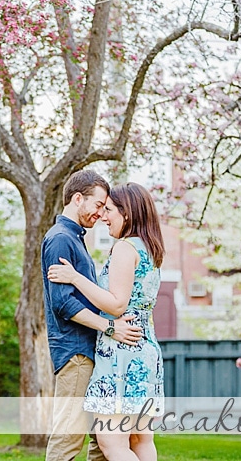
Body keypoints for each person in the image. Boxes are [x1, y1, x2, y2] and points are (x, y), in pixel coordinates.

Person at [47, 183, 165, 461]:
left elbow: (116, 304)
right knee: (140, 441)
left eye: (109, 209)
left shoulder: (125, 247)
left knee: (113, 445)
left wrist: (76, 278)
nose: (104, 216)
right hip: (144, 349)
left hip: (121, 354)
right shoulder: (150, 248)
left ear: (128, 213)